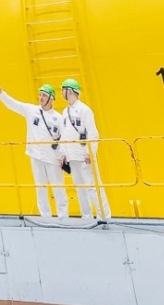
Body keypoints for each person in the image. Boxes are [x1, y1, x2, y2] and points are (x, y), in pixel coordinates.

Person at [0, 82, 68, 219]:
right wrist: (1, 93)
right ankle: (45, 217)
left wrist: (64, 155)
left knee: (58, 187)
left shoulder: (59, 118)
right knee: (40, 187)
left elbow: (65, 138)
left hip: (53, 157)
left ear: (51, 98)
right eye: (40, 95)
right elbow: (14, 104)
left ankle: (63, 216)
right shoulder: (32, 110)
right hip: (36, 155)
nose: (41, 97)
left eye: (44, 95)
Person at [58, 78, 111, 221]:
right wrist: (63, 153)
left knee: (93, 187)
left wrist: (90, 152)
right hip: (72, 156)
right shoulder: (65, 111)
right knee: (80, 188)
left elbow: (93, 132)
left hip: (84, 156)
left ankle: (104, 216)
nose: (61, 93)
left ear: (70, 91)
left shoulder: (85, 110)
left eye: (63, 90)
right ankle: (86, 216)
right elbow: (64, 133)